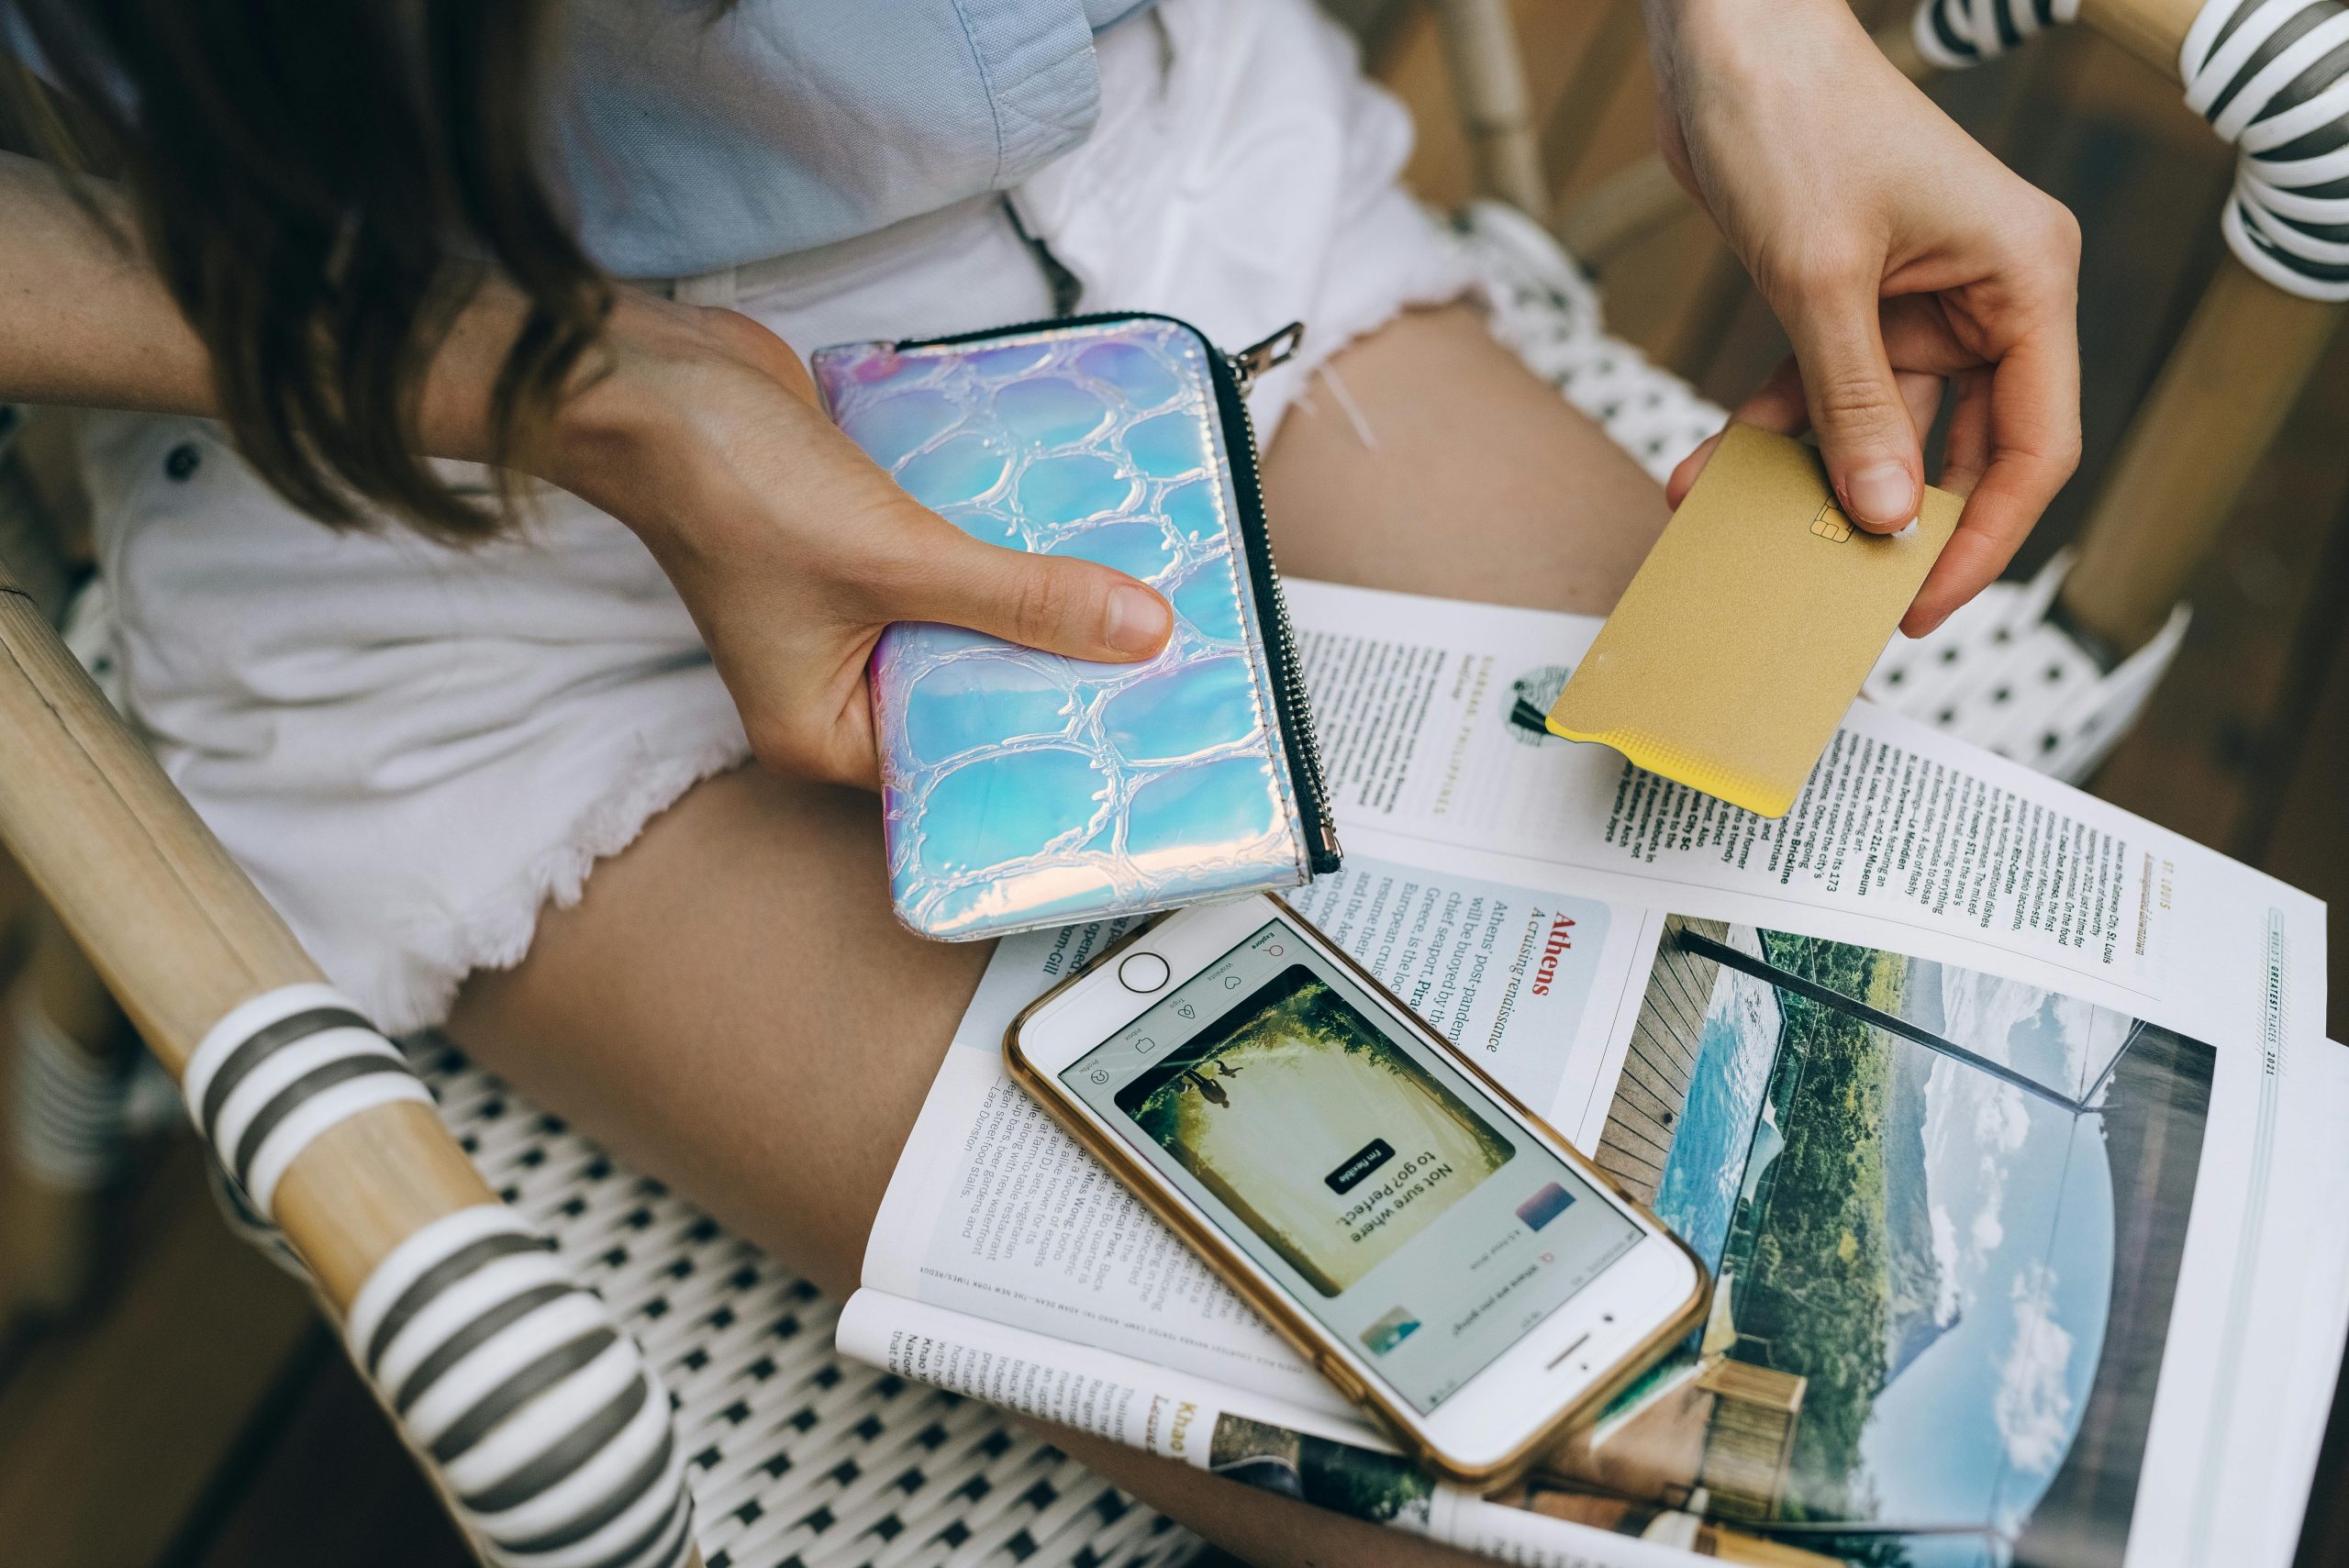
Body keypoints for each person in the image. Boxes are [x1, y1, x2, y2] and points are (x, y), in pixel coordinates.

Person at [0, 0, 2077, 1560]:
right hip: (413, 481)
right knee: (1572, 1499)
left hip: (1172, 237)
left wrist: (1755, 33)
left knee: (1874, 1122)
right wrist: (576, 396)